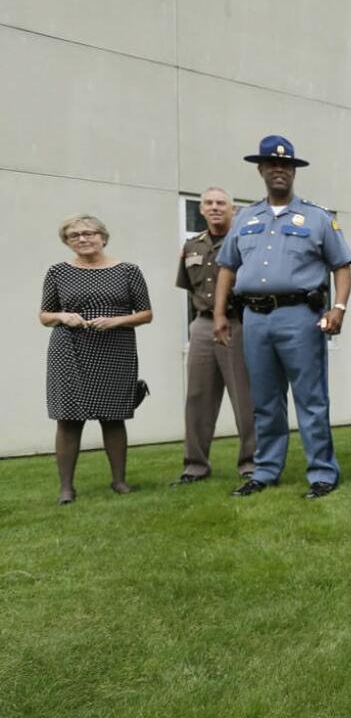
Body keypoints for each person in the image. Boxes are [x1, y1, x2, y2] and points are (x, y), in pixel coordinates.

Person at [215, 135, 351, 500]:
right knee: (263, 399)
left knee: (311, 398)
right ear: (261, 170)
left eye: (286, 165)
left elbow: (341, 266)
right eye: (272, 164)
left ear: (294, 171)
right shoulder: (245, 217)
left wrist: (338, 308)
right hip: (255, 319)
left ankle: (322, 472)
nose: (279, 170)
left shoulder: (317, 217)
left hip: (300, 317)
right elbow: (227, 267)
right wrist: (219, 314)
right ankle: (265, 471)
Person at [40, 214, 153, 504]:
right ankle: (66, 487)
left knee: (113, 416)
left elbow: (146, 313)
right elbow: (44, 315)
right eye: (74, 235)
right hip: (69, 350)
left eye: (88, 233)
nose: (82, 238)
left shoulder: (128, 271)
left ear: (103, 236)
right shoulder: (57, 272)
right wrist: (62, 316)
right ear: (67, 242)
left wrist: (116, 321)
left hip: (116, 348)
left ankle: (119, 481)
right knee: (68, 418)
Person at [173, 187, 256, 485]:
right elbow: (189, 287)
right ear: (202, 210)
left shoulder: (245, 243)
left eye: (221, 203)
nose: (215, 207)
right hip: (202, 324)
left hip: (237, 323)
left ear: (233, 209)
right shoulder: (192, 246)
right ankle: (194, 467)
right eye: (209, 203)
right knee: (197, 398)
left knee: (244, 398)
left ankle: (251, 464)